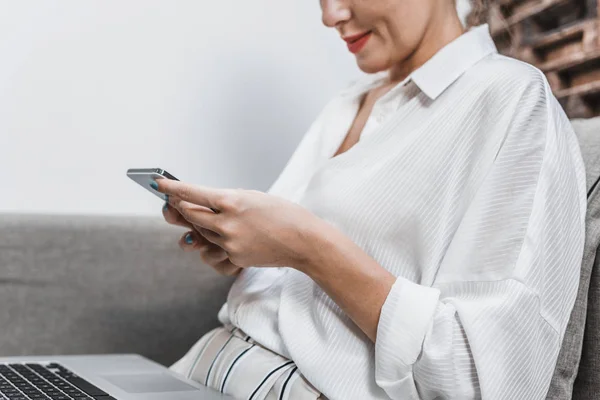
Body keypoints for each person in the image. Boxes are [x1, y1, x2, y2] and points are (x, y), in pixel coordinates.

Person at [155, 0, 587, 399]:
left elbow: (483, 380)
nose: (330, 15)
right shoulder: (347, 102)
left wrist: (308, 248)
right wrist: (247, 251)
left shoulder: (510, 99)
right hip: (204, 363)